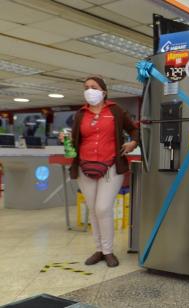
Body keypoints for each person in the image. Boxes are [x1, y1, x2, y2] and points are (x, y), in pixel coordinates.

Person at [59, 76, 138, 267]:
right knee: (93, 210)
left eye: (93, 87)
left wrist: (133, 142)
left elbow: (134, 130)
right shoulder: (80, 114)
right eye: (86, 87)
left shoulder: (116, 111)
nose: (89, 90)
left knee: (103, 208)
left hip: (111, 166)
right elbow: (77, 137)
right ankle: (99, 250)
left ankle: (109, 251)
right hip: (85, 167)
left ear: (103, 92)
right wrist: (66, 138)